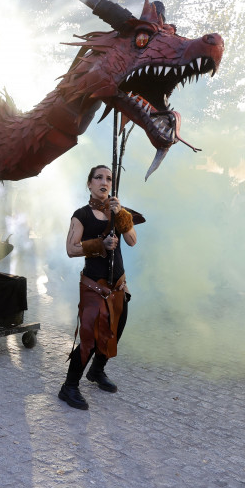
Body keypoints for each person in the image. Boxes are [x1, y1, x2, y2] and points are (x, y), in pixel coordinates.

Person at [59, 164, 138, 410]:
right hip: (94, 286)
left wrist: (122, 214)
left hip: (118, 286)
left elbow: (133, 240)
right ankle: (69, 386)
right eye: (98, 177)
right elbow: (71, 249)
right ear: (89, 183)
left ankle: (97, 370)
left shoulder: (119, 213)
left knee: (115, 330)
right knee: (90, 338)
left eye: (109, 178)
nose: (104, 182)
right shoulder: (81, 215)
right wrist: (100, 244)